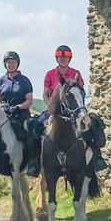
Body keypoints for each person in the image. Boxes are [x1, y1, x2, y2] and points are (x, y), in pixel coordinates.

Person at [26, 45, 86, 178]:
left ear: (70, 59)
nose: (63, 59)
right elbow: (45, 95)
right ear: (57, 59)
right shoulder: (50, 74)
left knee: (92, 128)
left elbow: (79, 93)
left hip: (73, 112)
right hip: (54, 112)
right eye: (61, 57)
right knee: (34, 128)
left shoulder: (76, 74)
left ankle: (96, 160)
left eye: (66, 57)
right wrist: (52, 107)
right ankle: (34, 163)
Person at [0, 50, 33, 134]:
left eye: (13, 62)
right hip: (4, 113)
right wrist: (1, 107)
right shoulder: (1, 80)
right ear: (5, 64)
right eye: (9, 62)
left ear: (17, 64)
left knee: (28, 136)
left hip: (20, 114)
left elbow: (29, 101)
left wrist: (18, 107)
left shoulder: (24, 80)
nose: (11, 65)